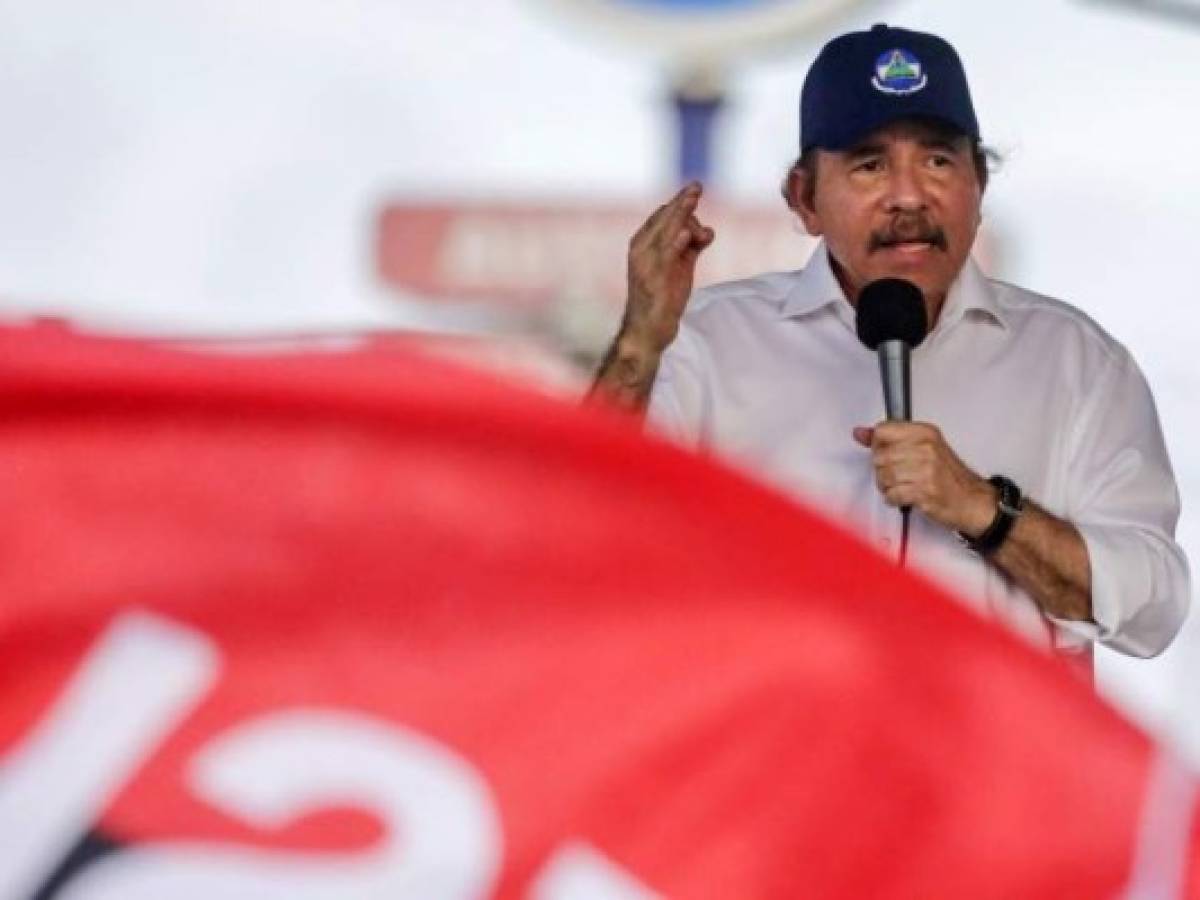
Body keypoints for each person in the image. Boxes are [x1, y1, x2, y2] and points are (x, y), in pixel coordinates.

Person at [589, 24, 1189, 660]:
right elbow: (581, 544)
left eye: (937, 160)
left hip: (986, 756)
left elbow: (1154, 611)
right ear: (804, 199)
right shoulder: (706, 343)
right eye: (870, 165)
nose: (909, 197)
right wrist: (638, 345)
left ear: (978, 185)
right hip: (774, 751)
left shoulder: (1076, 364)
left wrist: (986, 509)